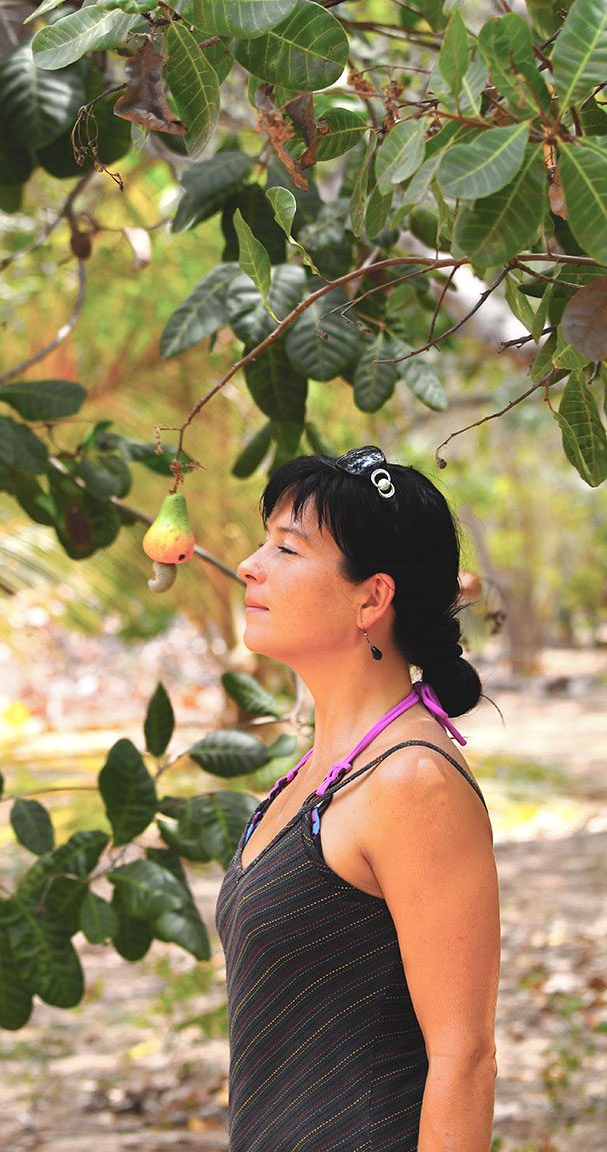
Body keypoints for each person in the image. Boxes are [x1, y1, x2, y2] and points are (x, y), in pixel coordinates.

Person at [215, 447, 500, 1152]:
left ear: (372, 598)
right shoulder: (320, 769)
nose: (251, 564)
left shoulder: (413, 783)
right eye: (264, 541)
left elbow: (464, 1060)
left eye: (286, 548)